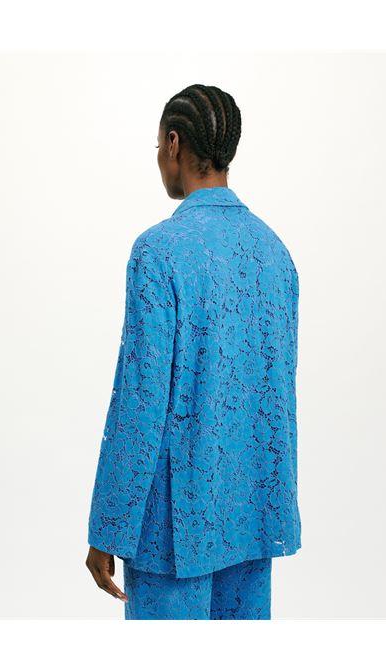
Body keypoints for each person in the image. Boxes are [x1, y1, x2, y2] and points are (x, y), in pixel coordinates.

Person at [85, 84, 301, 620]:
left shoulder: (158, 251)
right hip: (251, 515)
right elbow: (277, 389)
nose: (159, 157)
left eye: (158, 144)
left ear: (174, 143)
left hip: (171, 528)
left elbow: (140, 400)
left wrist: (108, 527)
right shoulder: (275, 253)